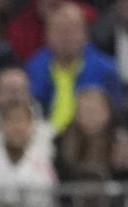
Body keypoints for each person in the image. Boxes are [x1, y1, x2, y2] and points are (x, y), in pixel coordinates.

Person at [25, 1, 122, 134]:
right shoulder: (33, 67)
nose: (66, 37)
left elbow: (118, 116)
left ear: (85, 33)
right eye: (59, 30)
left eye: (72, 30)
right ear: (47, 35)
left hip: (90, 141)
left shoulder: (106, 69)